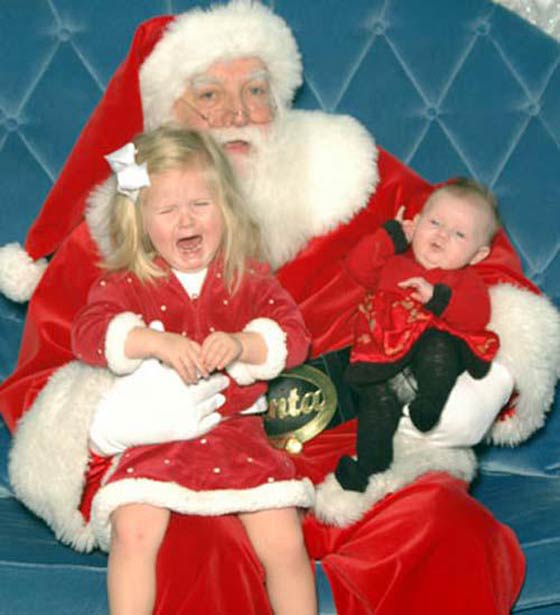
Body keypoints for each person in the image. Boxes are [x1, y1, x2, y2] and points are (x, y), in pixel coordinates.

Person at [1, 2, 559, 614]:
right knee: (188, 554)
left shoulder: (351, 171)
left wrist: (489, 378)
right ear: (167, 115)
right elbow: (42, 370)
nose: (238, 113)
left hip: (364, 456)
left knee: (451, 530)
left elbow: (471, 240)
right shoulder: (121, 224)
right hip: (205, 466)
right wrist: (108, 419)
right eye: (209, 95)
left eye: (256, 90)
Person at [72, 126, 315, 615]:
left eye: (201, 204)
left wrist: (245, 343)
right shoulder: (128, 282)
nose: (186, 219)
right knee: (133, 528)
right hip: (156, 439)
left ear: (226, 207)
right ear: (140, 221)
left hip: (237, 433)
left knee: (285, 538)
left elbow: (294, 337)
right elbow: (88, 333)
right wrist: (152, 341)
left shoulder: (248, 277)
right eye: (167, 210)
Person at [335, 179, 500, 492]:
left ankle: (430, 403)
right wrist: (391, 236)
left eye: (459, 234)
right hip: (384, 363)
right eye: (434, 223)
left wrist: (437, 298)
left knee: (438, 345)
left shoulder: (463, 280)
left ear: (477, 255)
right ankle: (368, 471)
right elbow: (357, 267)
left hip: (432, 367)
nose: (442, 235)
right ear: (417, 222)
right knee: (376, 405)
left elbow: (477, 315)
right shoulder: (394, 265)